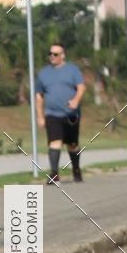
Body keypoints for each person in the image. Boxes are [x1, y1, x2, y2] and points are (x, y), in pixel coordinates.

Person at [35, 44, 86, 184]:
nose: (52, 56)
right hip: (52, 114)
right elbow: (39, 96)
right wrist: (39, 116)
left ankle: (76, 169)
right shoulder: (43, 73)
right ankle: (54, 173)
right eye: (50, 53)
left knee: (72, 144)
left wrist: (76, 100)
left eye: (55, 54)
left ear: (63, 55)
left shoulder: (72, 70)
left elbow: (81, 87)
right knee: (54, 142)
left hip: (71, 114)